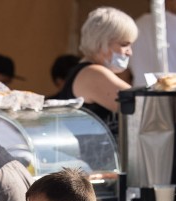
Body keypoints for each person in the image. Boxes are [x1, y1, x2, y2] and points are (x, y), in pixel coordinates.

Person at [51, 7, 138, 136]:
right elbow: (143, 106)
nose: (130, 52)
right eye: (124, 44)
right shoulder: (93, 73)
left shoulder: (86, 70)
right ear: (102, 42)